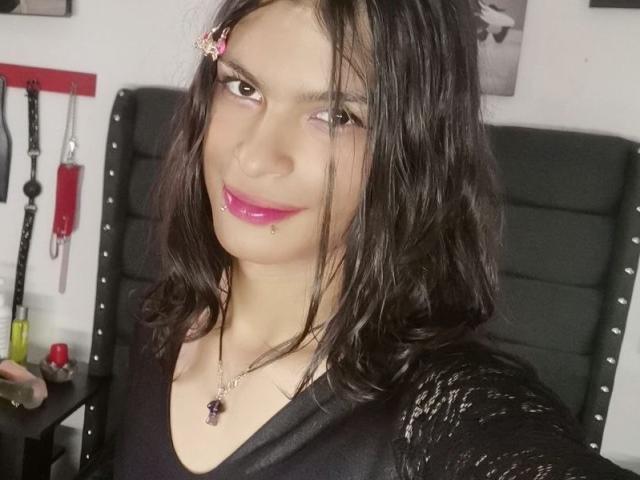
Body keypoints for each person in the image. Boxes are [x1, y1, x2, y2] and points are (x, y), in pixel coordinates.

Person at [114, 0, 640, 478]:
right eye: (243, 88)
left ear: (413, 151)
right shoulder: (162, 320)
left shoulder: (439, 405)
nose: (254, 157)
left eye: (336, 116)